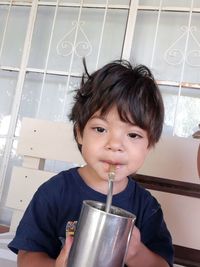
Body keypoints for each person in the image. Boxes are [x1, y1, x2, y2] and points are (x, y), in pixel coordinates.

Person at [8, 59, 174, 267]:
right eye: (100, 129)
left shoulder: (146, 207)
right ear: (79, 133)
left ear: (149, 145)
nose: (115, 145)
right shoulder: (54, 192)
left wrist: (135, 253)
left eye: (133, 134)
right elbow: (27, 258)